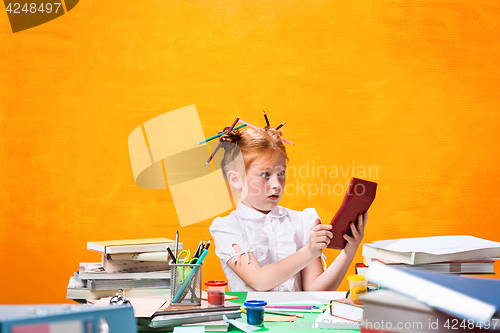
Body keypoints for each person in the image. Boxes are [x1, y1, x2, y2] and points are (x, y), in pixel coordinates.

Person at [209, 125, 367, 291]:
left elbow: (315, 291)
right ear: (235, 179)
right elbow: (258, 280)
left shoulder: (302, 221)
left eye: (281, 173)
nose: (277, 184)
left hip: (299, 316)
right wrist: (309, 251)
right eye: (265, 175)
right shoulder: (227, 228)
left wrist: (349, 250)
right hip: (250, 317)